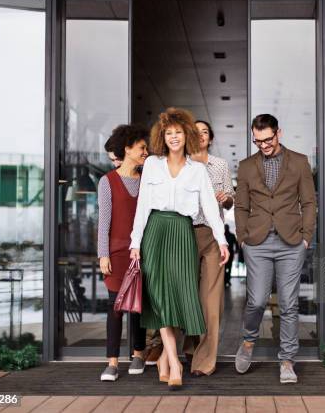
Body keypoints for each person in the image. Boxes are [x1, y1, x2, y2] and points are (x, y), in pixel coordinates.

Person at [129, 107, 230, 390]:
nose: (174, 137)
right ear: (162, 137)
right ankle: (174, 361)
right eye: (168, 133)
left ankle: (164, 359)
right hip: (155, 232)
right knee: (160, 296)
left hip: (183, 233)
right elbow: (142, 206)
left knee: (177, 296)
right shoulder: (152, 165)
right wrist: (135, 242)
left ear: (187, 136)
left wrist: (221, 240)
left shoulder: (197, 170)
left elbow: (210, 208)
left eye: (178, 132)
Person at [234, 114, 316, 384]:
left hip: (291, 241)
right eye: (258, 141)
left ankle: (287, 361)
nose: (264, 145)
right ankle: (248, 341)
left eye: (268, 139)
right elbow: (242, 206)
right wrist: (242, 238)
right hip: (256, 241)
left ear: (279, 133)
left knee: (289, 304)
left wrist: (306, 237)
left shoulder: (300, 162)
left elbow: (308, 202)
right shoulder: (246, 166)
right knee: (256, 301)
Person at [182, 120, 235, 377]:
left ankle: (205, 361)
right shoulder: (181, 163)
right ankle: (191, 346)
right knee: (187, 296)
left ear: (210, 138)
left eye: (205, 132)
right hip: (183, 236)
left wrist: (227, 199)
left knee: (212, 301)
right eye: (196, 132)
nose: (200, 136)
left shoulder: (221, 165)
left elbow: (230, 200)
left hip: (214, 237)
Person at [98, 124, 149, 382]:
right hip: (116, 253)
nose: (145, 152)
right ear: (127, 149)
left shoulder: (148, 180)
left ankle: (139, 353)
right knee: (115, 306)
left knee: (139, 306)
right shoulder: (107, 181)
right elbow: (103, 221)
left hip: (143, 252)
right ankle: (112, 362)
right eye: (141, 148)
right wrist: (102, 254)